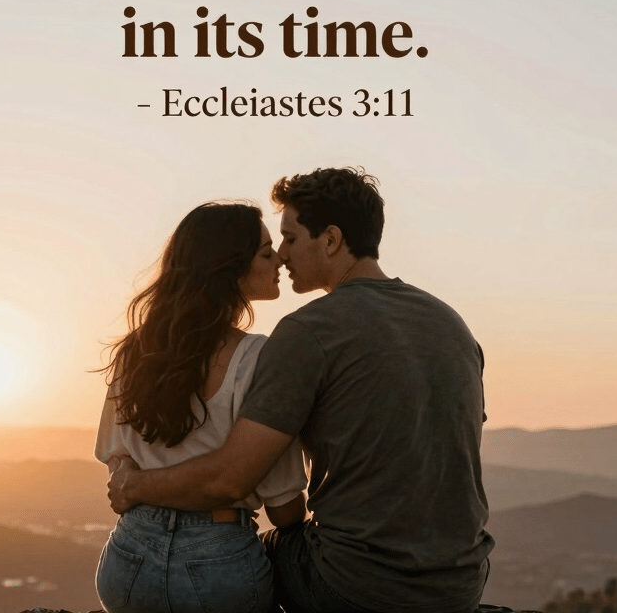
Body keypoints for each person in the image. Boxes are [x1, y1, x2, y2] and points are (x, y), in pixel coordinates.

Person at [110, 167, 495, 613]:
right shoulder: (451, 324)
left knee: (238, 553)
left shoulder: (309, 331)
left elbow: (230, 479)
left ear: (330, 239)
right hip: (460, 585)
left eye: (290, 238)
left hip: (355, 588)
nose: (282, 254)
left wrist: (135, 485)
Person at [94, 202, 307, 613]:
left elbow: (117, 465)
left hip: (129, 556)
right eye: (266, 253)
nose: (280, 259)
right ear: (231, 270)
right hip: (218, 562)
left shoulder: (136, 351)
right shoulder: (258, 358)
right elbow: (284, 508)